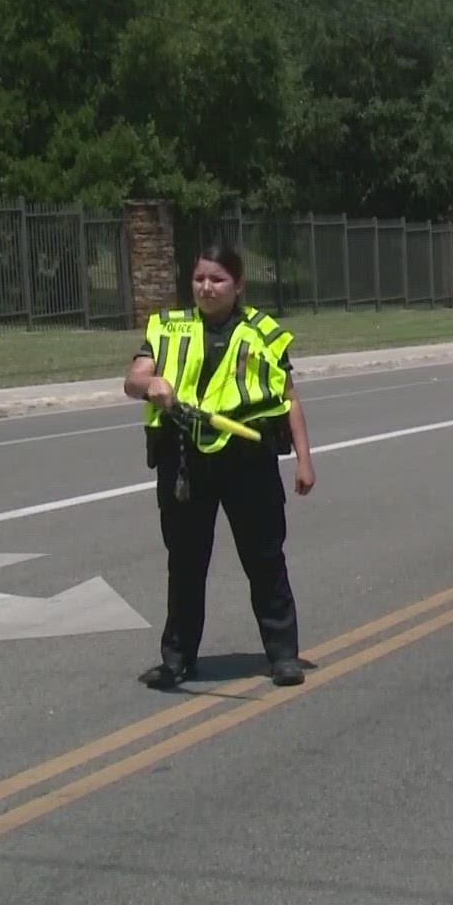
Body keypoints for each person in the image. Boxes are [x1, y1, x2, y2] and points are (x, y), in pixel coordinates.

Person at [122, 244, 316, 690]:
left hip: (249, 463)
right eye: (199, 279)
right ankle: (177, 660)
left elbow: (289, 397)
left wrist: (304, 460)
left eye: (217, 279)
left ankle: (283, 655)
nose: (206, 288)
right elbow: (133, 378)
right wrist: (150, 383)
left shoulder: (262, 333)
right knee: (186, 564)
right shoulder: (168, 329)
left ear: (238, 285)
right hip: (186, 462)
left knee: (265, 560)